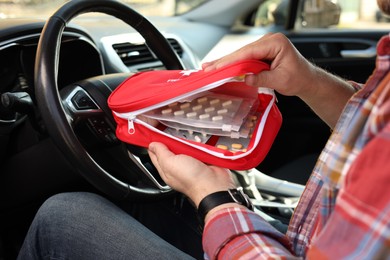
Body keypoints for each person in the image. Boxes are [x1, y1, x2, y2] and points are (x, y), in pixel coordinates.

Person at [18, 0, 390, 259]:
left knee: (63, 216)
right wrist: (310, 81)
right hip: (307, 236)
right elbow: (374, 123)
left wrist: (214, 197)